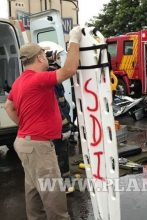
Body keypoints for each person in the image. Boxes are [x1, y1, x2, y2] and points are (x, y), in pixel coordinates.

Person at [4, 26, 82, 220]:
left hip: (25, 143)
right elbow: (70, 69)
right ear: (39, 58)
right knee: (54, 197)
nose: (47, 58)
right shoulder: (39, 79)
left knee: (34, 193)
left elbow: (8, 107)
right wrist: (74, 40)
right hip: (38, 146)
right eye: (44, 55)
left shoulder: (20, 81)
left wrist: (25, 125)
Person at [39, 41, 74, 194]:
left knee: (57, 156)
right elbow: (57, 106)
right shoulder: (50, 78)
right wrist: (65, 127)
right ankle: (63, 186)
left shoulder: (45, 77)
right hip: (56, 127)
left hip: (53, 126)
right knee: (60, 156)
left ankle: (60, 185)